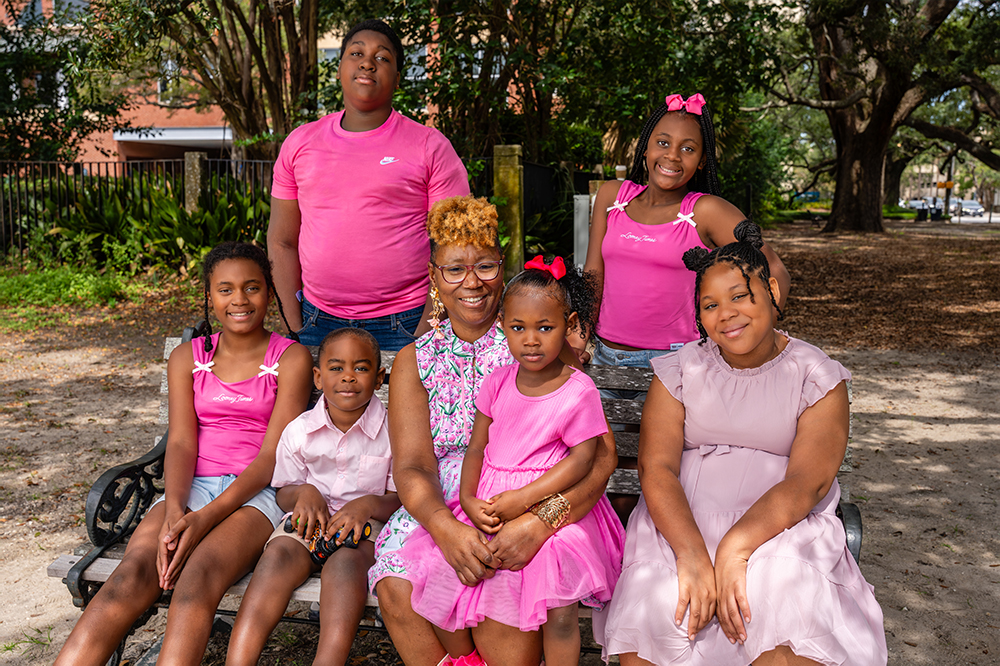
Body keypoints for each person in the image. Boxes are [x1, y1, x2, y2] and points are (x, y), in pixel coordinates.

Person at [597, 221, 887, 666]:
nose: (726, 313)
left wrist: (736, 548)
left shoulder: (816, 375)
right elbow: (657, 469)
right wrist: (692, 553)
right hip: (681, 524)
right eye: (710, 304)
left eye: (739, 296)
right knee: (662, 601)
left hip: (781, 527)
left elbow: (807, 482)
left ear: (771, 290)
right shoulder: (679, 371)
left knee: (779, 596)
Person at [369, 195, 619, 666]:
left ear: (502, 268)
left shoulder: (532, 340)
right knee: (398, 586)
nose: (472, 282)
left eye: (484, 265)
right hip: (444, 504)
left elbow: (600, 456)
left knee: (499, 604)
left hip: (530, 497)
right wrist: (445, 529)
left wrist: (539, 522)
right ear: (433, 276)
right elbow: (413, 466)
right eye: (454, 269)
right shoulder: (414, 359)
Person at [55, 242, 314, 666]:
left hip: (256, 493)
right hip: (190, 487)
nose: (239, 299)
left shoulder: (291, 357)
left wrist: (204, 518)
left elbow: (272, 456)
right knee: (131, 574)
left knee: (196, 579)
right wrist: (176, 511)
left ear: (269, 292)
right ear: (210, 297)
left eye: (252, 287)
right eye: (225, 289)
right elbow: (179, 442)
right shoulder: (187, 358)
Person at [268, 18, 470, 352]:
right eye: (356, 53)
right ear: (339, 69)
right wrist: (295, 325)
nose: (367, 63)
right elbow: (281, 241)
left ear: (398, 79)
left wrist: (427, 327)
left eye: (382, 57)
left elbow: (456, 246)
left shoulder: (430, 146)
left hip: (406, 323)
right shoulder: (300, 143)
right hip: (317, 322)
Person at [584, 93, 791, 389]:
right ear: (645, 147)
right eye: (663, 143)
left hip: (678, 364)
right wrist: (581, 334)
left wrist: (754, 340)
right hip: (604, 358)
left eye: (688, 148)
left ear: (702, 160)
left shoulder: (706, 211)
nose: (672, 156)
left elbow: (775, 270)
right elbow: (594, 273)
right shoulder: (611, 197)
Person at [225, 328, 400, 666]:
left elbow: (400, 497)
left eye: (361, 368)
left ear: (379, 378)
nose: (348, 377)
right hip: (308, 524)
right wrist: (303, 493)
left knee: (346, 565)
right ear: (318, 378)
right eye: (336, 368)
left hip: (365, 530)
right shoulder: (299, 430)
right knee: (277, 557)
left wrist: (368, 505)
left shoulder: (393, 431)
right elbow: (283, 493)